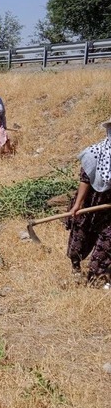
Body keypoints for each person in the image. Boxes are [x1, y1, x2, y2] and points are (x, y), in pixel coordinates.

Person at [65, 118, 111, 288]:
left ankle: (96, 274)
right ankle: (76, 266)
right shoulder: (94, 152)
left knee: (108, 239)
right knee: (81, 235)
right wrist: (78, 205)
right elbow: (85, 180)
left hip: (109, 207)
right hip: (90, 202)